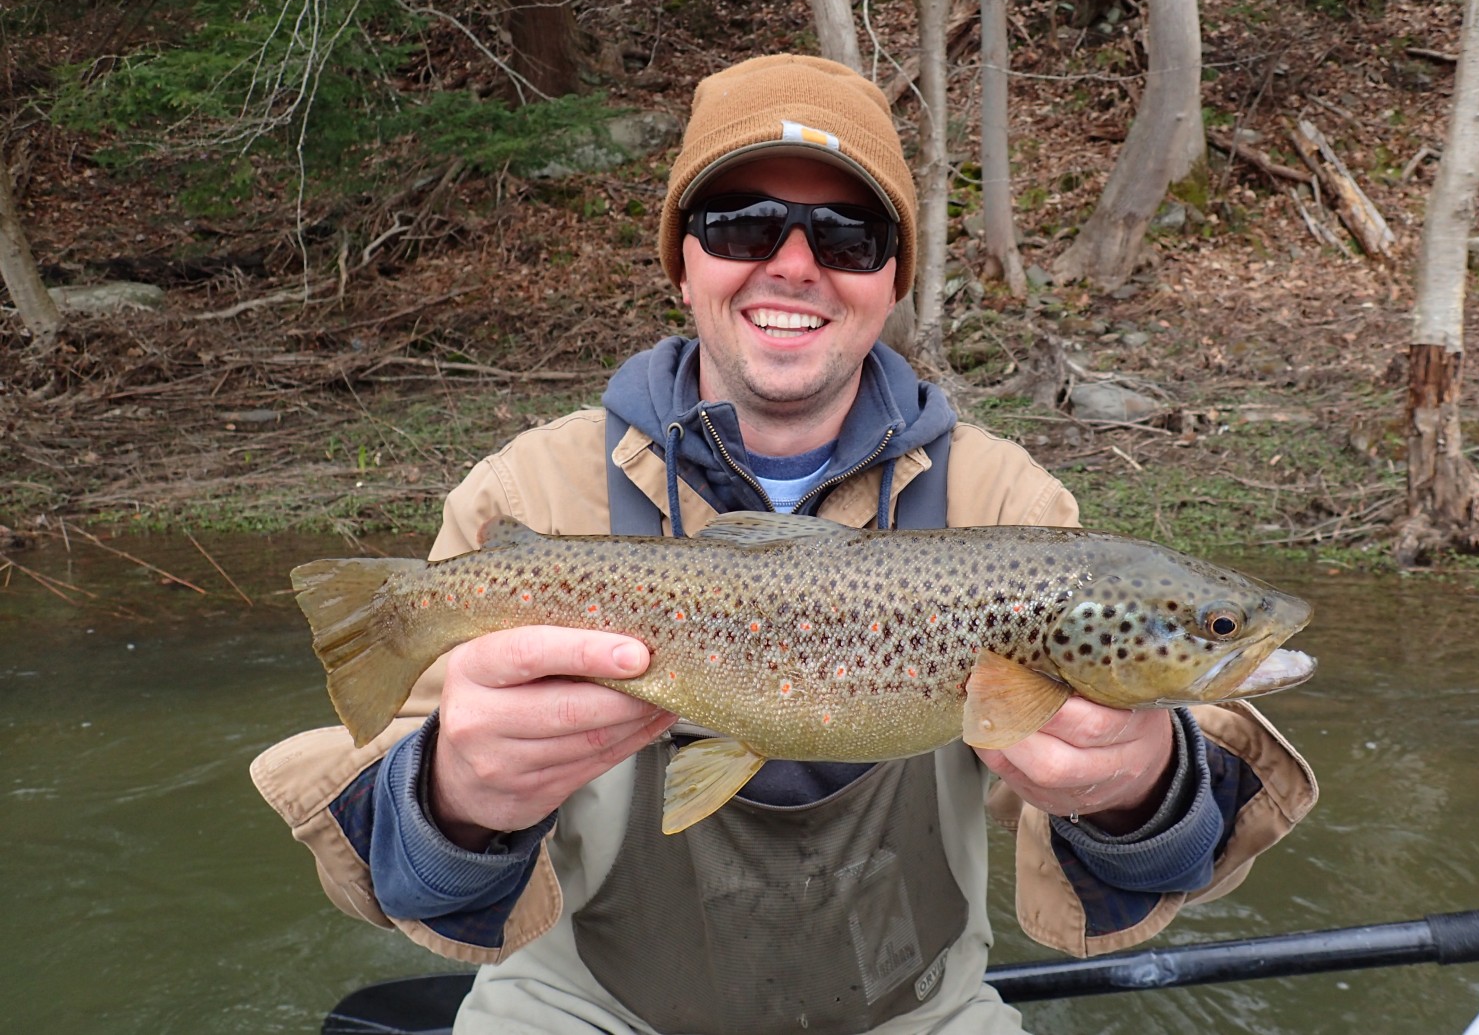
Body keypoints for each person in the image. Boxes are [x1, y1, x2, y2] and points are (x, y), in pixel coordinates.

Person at [252, 54, 1316, 1034]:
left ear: (892, 277)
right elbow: (413, 892)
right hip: (581, 1006)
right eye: (743, 225)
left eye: (849, 237)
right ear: (682, 261)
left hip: (914, 1010)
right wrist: (454, 800)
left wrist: (1138, 788)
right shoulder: (524, 496)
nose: (795, 265)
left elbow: (1147, 874)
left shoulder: (1012, 506)